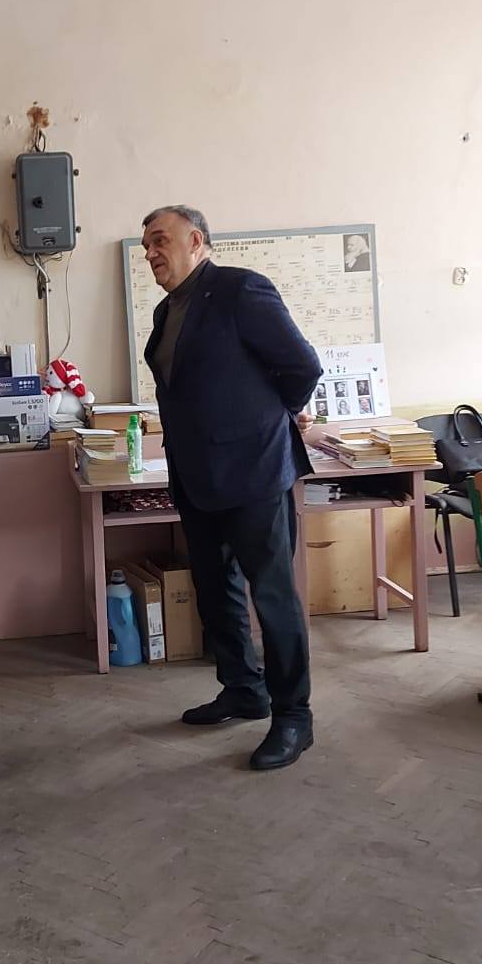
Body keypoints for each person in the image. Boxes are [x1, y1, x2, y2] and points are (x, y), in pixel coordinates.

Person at [142, 205, 323, 771]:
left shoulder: (242, 290)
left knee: (272, 595)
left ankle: (294, 717)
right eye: (146, 246)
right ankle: (243, 689)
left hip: (255, 472)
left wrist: (272, 417)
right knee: (214, 589)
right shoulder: (166, 310)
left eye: (160, 241)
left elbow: (302, 366)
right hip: (196, 476)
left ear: (196, 240)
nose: (151, 254)